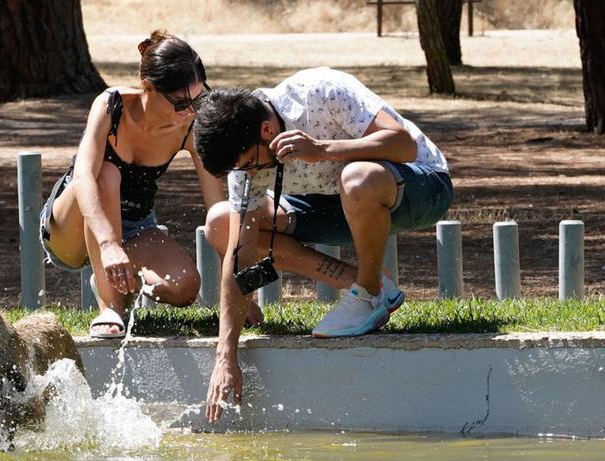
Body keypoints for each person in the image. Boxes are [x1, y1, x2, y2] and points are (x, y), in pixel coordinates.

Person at [193, 68, 452, 422]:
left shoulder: (321, 92)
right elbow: (240, 254)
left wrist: (323, 150)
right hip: (336, 206)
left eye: (251, 164)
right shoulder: (245, 163)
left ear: (267, 131)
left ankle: (368, 292)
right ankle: (371, 287)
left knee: (357, 178)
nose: (249, 174)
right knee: (223, 223)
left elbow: (403, 143)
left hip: (418, 187)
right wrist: (226, 356)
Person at [40, 31, 224, 338]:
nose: (190, 111)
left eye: (198, 98)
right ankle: (110, 305)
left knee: (184, 286)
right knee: (107, 173)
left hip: (134, 226)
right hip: (72, 224)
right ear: (149, 88)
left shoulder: (190, 126)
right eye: (180, 103)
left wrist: (240, 291)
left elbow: (217, 207)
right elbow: (85, 174)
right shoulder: (111, 105)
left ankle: (108, 277)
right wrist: (108, 244)